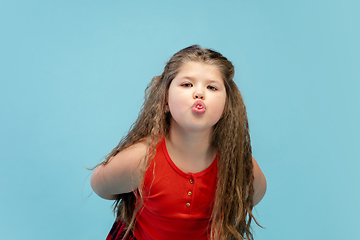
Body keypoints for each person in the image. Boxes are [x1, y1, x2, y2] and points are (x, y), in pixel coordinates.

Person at [91, 45, 267, 240]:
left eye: (212, 87)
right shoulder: (140, 159)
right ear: (165, 100)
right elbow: (101, 186)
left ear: (226, 107)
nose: (199, 94)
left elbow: (254, 195)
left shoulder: (239, 164)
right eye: (187, 85)